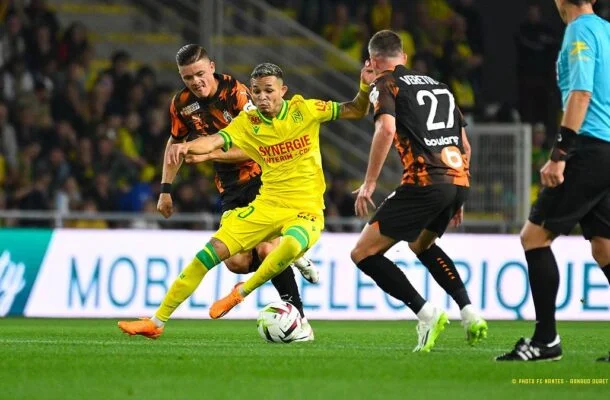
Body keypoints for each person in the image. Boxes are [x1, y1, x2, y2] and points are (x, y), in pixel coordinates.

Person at [143, 61, 372, 327]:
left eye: (268, 91)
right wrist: (188, 148)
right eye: (257, 91)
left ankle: (244, 294)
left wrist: (365, 86)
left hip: (304, 209)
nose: (262, 97)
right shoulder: (246, 122)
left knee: (284, 246)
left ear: (282, 90)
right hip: (265, 202)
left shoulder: (305, 109)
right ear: (251, 93)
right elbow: (216, 139)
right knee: (220, 255)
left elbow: (356, 109)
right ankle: (156, 321)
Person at [118, 46, 319, 340]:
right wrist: (165, 190)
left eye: (200, 73)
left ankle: (299, 317)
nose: (196, 81)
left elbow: (256, 145)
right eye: (188, 77)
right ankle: (290, 253)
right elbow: (174, 146)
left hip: (263, 178)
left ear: (211, 67)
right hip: (229, 188)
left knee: (265, 249)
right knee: (236, 263)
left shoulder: (237, 94)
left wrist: (209, 153)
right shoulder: (181, 104)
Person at [350, 30, 487, 353]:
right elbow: (464, 144)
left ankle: (426, 313)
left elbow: (386, 128)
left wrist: (369, 182)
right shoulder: (441, 87)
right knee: (422, 245)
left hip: (424, 183)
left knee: (363, 253)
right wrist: (457, 189)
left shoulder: (386, 85)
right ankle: (469, 312)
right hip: (456, 181)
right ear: (404, 57)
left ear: (371, 61)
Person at [497, 0, 610, 362]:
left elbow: (581, 92)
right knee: (605, 248)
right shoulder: (607, 31)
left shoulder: (580, 30)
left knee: (534, 236)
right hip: (607, 148)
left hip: (588, 147)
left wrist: (560, 154)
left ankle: (546, 340)